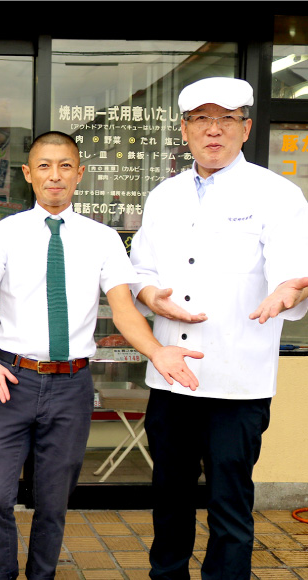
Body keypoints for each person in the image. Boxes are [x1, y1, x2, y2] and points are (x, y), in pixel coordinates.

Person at [0, 131, 203, 580]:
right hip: (12, 381)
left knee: (53, 503)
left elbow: (122, 308)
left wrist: (158, 351)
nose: (54, 175)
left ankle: (41, 576)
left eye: (65, 166)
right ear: (28, 174)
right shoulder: (2, 234)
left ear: (79, 173)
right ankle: (2, 576)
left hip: (71, 387)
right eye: (44, 165)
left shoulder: (102, 239)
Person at [130, 77, 308, 580]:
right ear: (184, 130)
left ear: (246, 128)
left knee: (229, 505)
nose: (214, 130)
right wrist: (148, 294)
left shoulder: (276, 194)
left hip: (237, 380)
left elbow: (293, 269)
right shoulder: (163, 195)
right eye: (201, 120)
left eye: (227, 119)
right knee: (169, 501)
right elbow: (141, 269)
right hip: (170, 377)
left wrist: (287, 291)